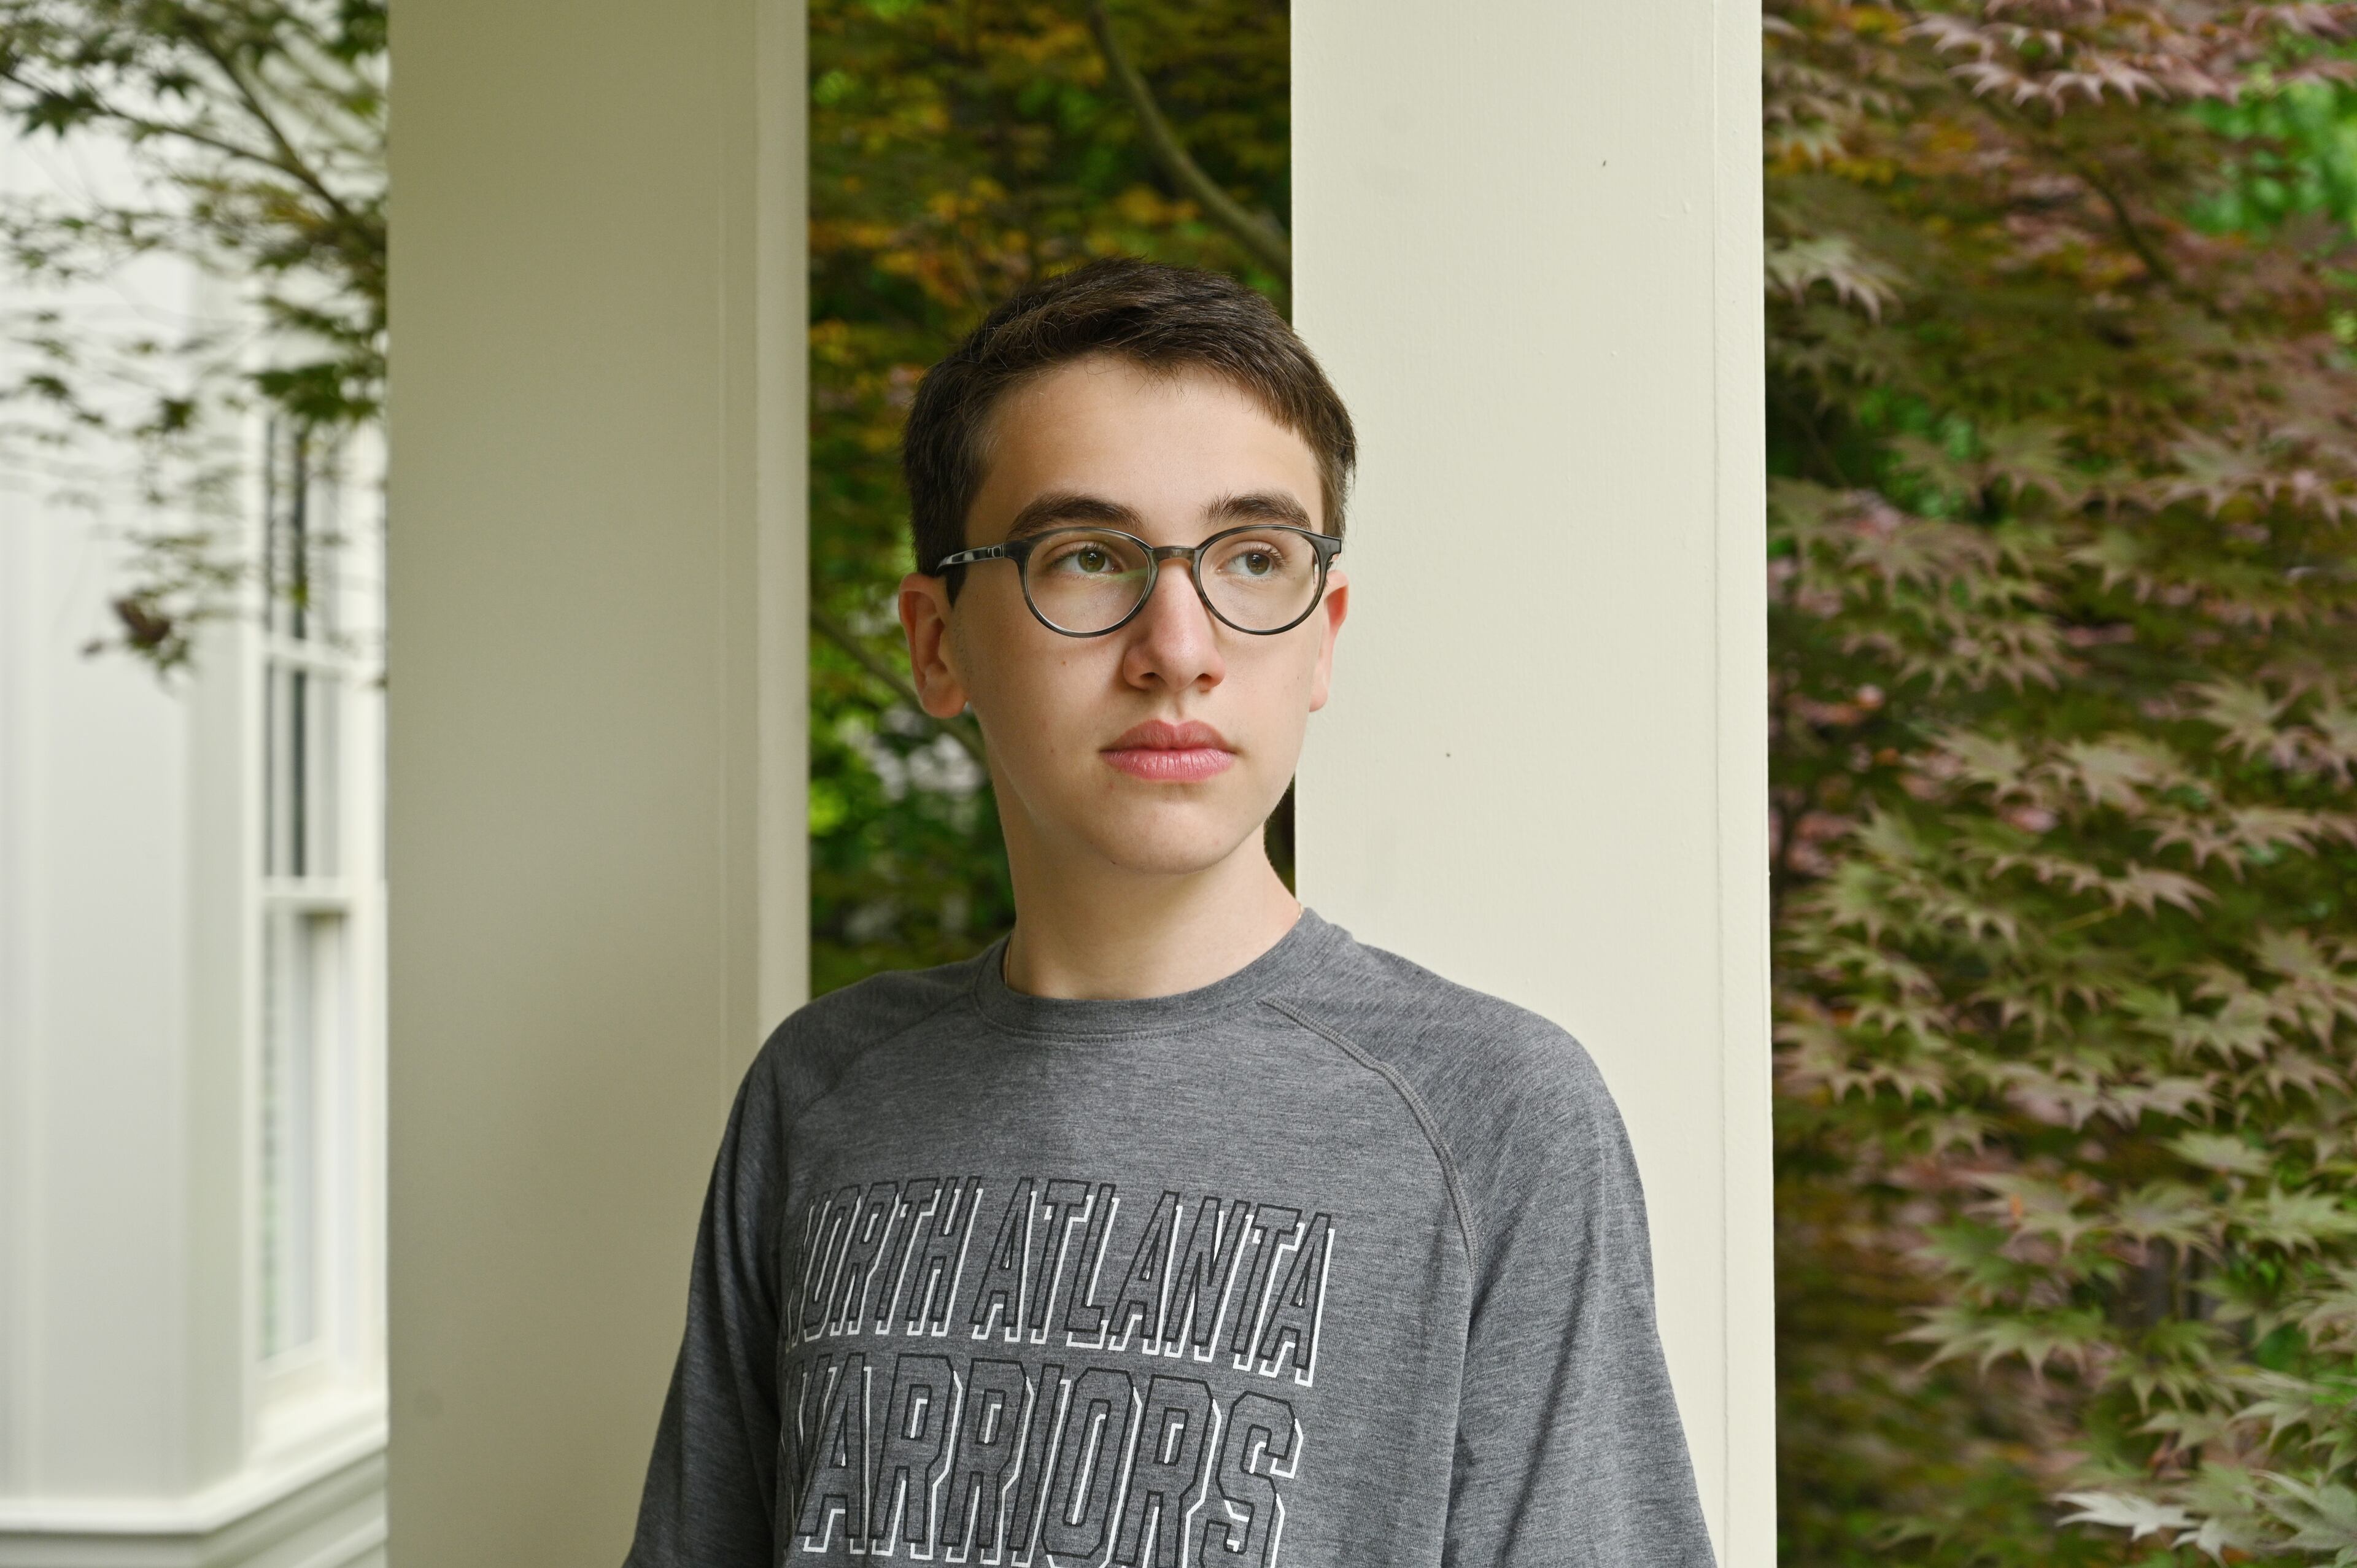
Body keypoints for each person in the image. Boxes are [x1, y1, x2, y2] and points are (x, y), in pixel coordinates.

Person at [624, 256, 1715, 1567]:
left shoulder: (1496, 1114)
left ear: (1323, 636)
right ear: (937, 642)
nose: (1179, 648)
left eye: (1254, 558)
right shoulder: (821, 1092)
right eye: (1088, 558)